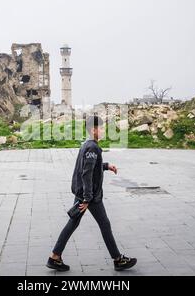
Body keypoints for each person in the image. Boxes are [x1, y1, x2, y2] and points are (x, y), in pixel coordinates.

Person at [46, 116, 137, 272]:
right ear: (93, 130)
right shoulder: (92, 147)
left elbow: (91, 167)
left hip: (84, 193)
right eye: (100, 128)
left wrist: (107, 166)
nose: (102, 131)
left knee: (74, 222)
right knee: (104, 224)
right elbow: (87, 174)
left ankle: (55, 257)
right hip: (90, 196)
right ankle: (118, 260)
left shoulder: (88, 145)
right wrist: (88, 198)